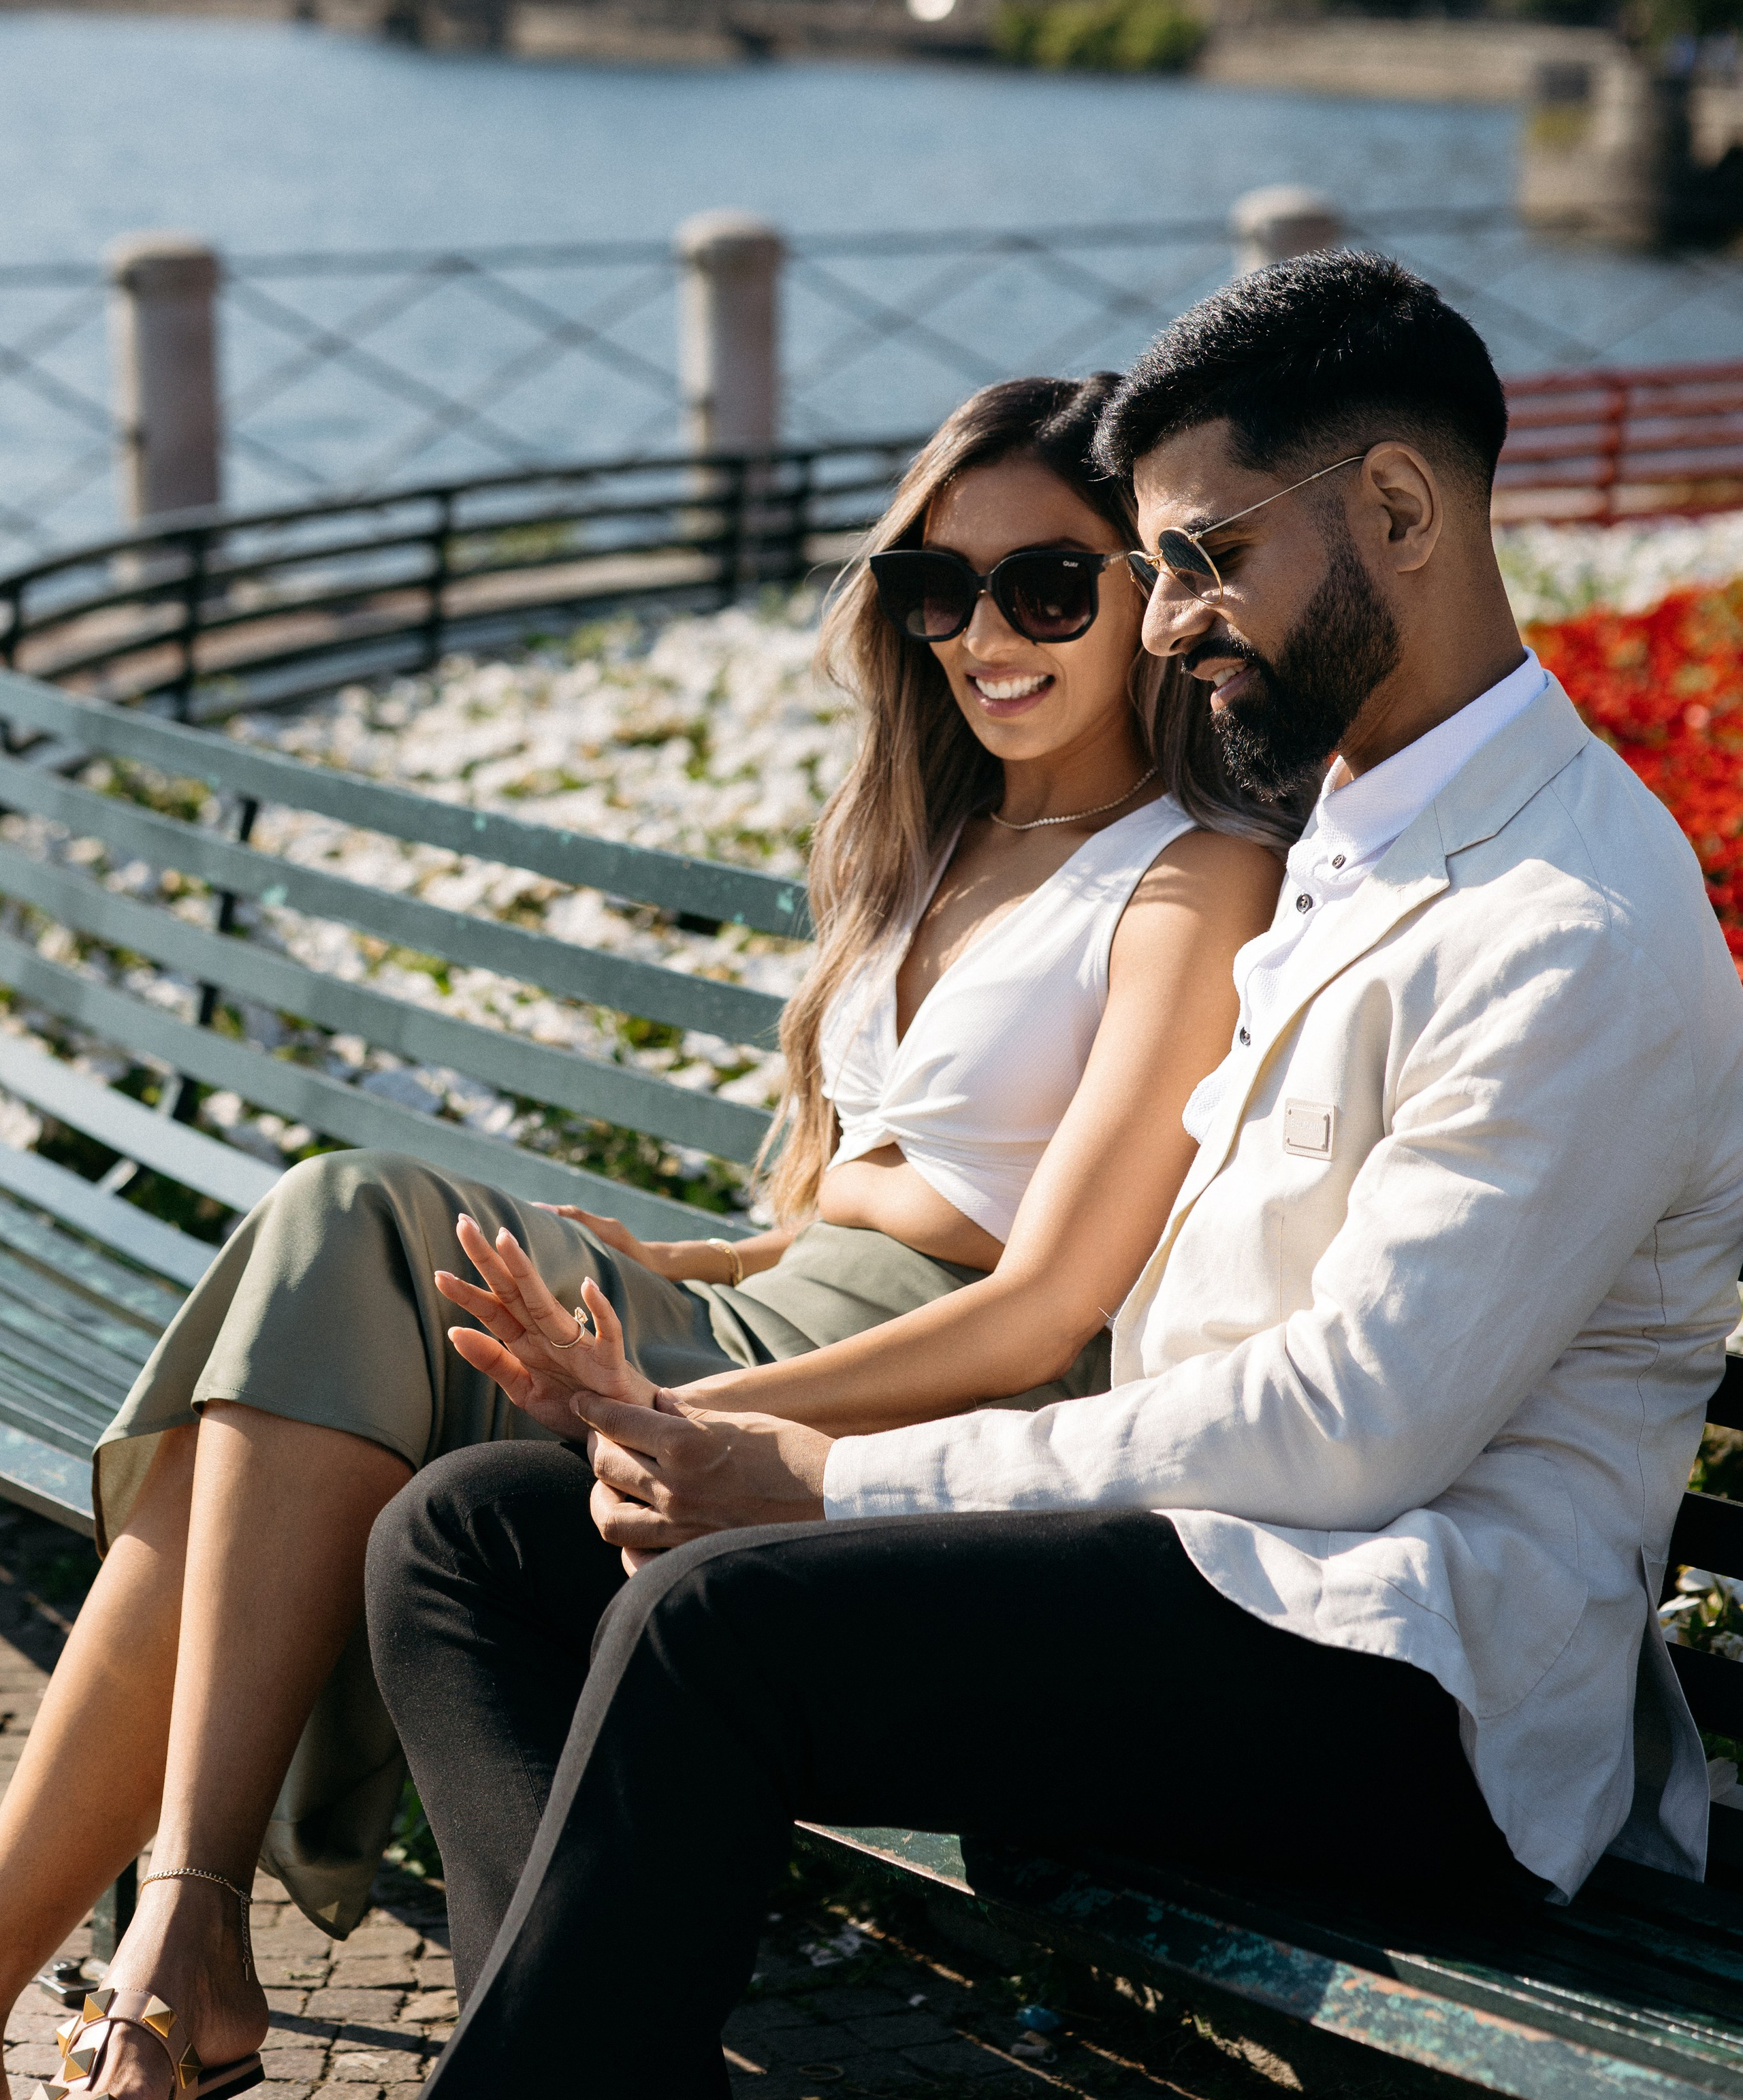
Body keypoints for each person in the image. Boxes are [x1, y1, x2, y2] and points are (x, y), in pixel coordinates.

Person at [367, 248, 1743, 2099]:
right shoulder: (1364, 818)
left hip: (1419, 1682)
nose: (1165, 621)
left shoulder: (1569, 921)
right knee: (468, 1541)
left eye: (1204, 555)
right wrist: (746, 1425)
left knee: (718, 1626)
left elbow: (1354, 1432)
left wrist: (828, 1483)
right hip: (1213, 1575)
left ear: (1402, 510)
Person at [7, 374, 1292, 2100]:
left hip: (909, 1400)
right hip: (771, 1326)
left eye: (1046, 586)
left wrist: (706, 1422)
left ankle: (175, 1942)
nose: (982, 634)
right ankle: (181, 1933)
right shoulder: (937, 838)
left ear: (1145, 591)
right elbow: (840, 1196)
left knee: (339, 1229)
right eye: (937, 587)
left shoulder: (1190, 876)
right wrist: (684, 1276)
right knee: (320, 1324)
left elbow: (1043, 1297)